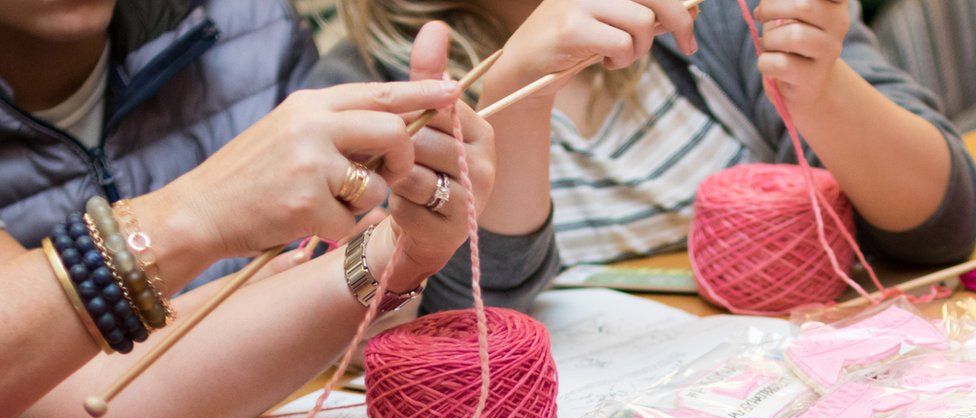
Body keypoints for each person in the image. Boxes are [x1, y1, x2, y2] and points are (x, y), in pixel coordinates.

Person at [0, 1, 504, 418]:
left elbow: (317, 274)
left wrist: (395, 252)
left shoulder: (246, 20)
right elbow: (78, 395)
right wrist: (200, 210)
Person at [320, 0, 976, 271]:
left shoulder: (712, 13)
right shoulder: (370, 89)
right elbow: (451, 326)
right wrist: (517, 94)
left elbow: (948, 225)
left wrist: (820, 83)